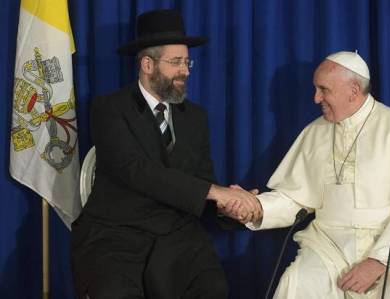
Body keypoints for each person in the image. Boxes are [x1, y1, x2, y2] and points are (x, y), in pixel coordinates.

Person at [225, 51, 390, 298]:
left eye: (323, 90)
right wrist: (256, 207)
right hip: (329, 245)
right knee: (296, 284)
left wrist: (378, 261)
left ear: (354, 90)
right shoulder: (314, 133)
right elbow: (296, 200)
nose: (315, 98)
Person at [71, 9, 261, 299]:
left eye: (187, 62)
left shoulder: (195, 117)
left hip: (178, 236)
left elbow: (202, 180)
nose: (185, 70)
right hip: (117, 237)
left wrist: (228, 207)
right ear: (147, 64)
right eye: (175, 62)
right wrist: (216, 192)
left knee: (214, 290)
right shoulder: (109, 108)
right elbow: (137, 171)